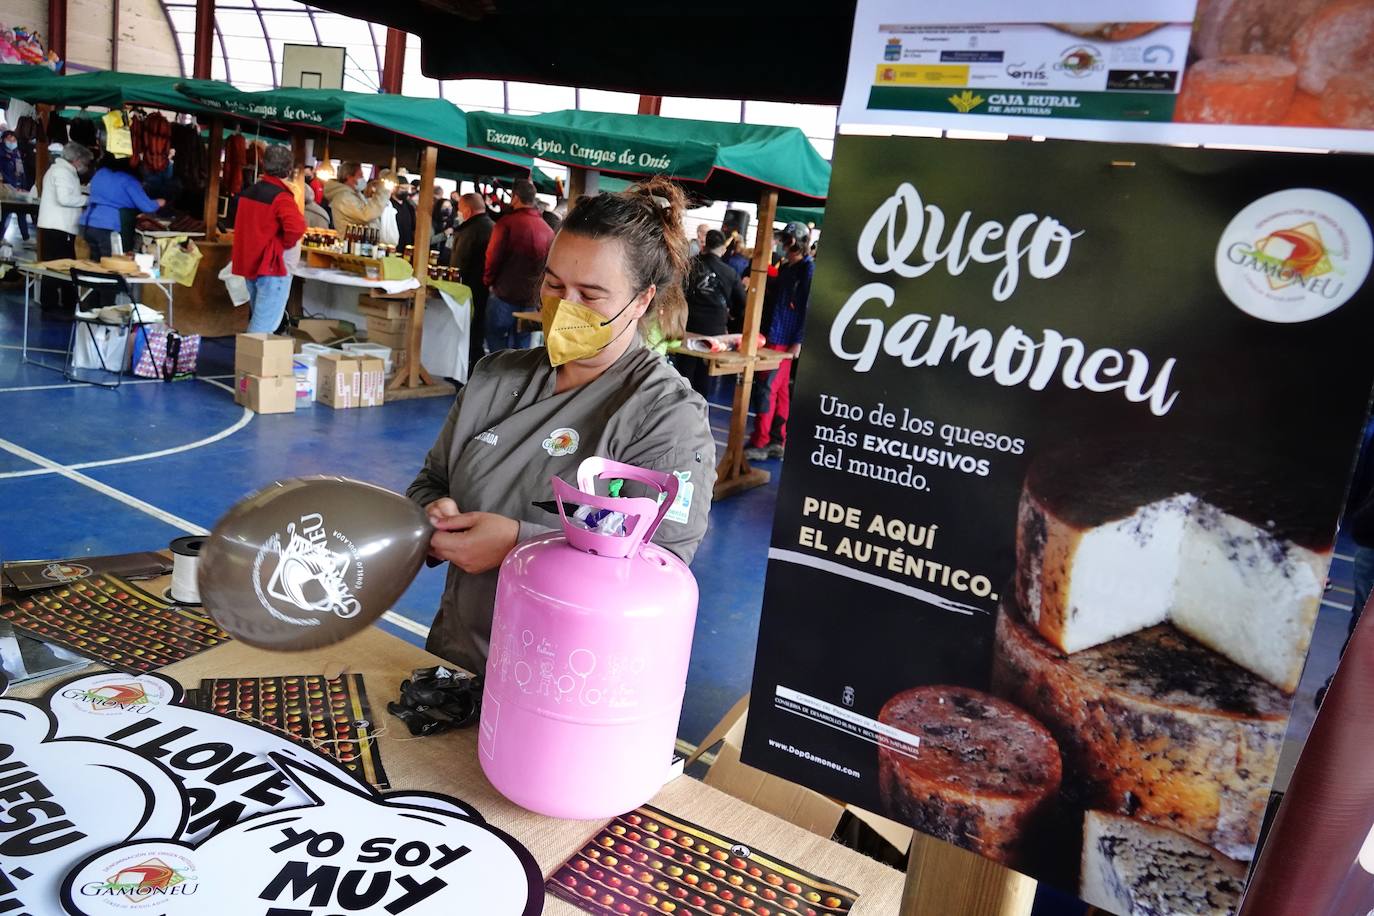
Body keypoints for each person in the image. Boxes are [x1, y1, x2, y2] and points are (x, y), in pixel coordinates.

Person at [407, 178, 716, 673]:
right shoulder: (495, 376)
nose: (564, 308)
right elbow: (431, 481)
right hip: (458, 658)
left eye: (590, 295)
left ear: (641, 301)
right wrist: (431, 512)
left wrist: (518, 544)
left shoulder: (665, 416)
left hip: (567, 685)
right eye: (553, 285)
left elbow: (661, 569)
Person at [744, 240, 813, 461]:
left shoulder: (807, 269)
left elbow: (809, 307)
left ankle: (761, 441)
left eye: (786, 242)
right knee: (779, 389)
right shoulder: (789, 267)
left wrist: (799, 340)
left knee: (767, 388)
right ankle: (776, 440)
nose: (783, 246)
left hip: (784, 339)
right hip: (777, 336)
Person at [231, 145, 306, 335]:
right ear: (289, 170)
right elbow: (296, 228)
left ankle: (249, 362)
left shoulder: (248, 193)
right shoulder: (281, 198)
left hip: (252, 264)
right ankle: (247, 364)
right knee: (263, 327)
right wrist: (283, 245)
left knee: (259, 319)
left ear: (263, 164)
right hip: (272, 266)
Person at [483, 177, 554, 353]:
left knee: (496, 341)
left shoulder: (506, 224)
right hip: (531, 298)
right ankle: (516, 381)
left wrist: (488, 281)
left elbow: (493, 257)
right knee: (522, 349)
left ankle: (497, 378)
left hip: (504, 293)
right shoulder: (547, 230)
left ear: (515, 197)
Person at [677, 229, 746, 396]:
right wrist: (733, 315)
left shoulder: (690, 265)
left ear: (705, 244)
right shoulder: (730, 272)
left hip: (688, 325)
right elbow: (742, 302)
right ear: (722, 248)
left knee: (682, 373)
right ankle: (699, 412)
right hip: (714, 330)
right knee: (706, 375)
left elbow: (676, 292)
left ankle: (676, 409)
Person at [36, 141, 91, 309]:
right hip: (58, 227)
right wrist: (88, 200)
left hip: (57, 226)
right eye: (85, 162)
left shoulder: (61, 170)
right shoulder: (62, 172)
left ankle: (58, 302)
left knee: (57, 266)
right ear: (77, 159)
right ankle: (56, 304)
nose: (85, 166)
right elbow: (65, 198)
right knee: (59, 267)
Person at [80, 153, 163, 259]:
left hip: (86, 222)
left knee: (90, 263)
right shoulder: (129, 180)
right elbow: (147, 206)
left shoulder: (100, 173)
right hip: (107, 226)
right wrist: (160, 202)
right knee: (109, 264)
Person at [450, 191, 495, 371]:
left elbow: (460, 263)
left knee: (469, 333)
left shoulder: (469, 231)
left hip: (469, 289)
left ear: (467, 210)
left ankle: (465, 371)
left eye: (460, 209)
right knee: (478, 333)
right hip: (487, 289)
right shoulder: (494, 226)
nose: (458, 213)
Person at [322, 161, 386, 232]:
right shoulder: (344, 197)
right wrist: (383, 192)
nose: (363, 178)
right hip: (350, 241)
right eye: (360, 175)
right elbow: (365, 215)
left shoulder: (354, 194)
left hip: (360, 241)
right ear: (349, 177)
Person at [0, 129, 31, 242]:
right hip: (7, 189)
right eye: (9, 138)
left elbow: (21, 171)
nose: (12, 141)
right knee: (5, 215)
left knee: (21, 212)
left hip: (19, 188)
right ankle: (1, 237)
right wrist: (9, 185)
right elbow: (3, 173)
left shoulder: (17, 153)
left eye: (14, 138)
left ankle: (26, 238)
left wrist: (23, 186)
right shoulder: (1, 154)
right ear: (3, 140)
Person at [393, 185, 416, 252]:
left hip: (406, 248)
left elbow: (412, 228)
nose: (405, 191)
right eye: (402, 188)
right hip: (393, 246)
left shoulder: (409, 207)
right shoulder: (388, 205)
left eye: (407, 189)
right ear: (394, 189)